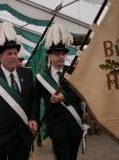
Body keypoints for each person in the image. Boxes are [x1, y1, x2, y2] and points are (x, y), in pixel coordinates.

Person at [0, 21, 39, 160]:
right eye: (9, 53)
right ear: (0, 56)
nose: (14, 56)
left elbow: (33, 99)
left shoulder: (27, 74)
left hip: (22, 139)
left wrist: (33, 117)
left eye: (16, 53)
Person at [35, 26, 83, 160]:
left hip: (75, 125)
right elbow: (35, 101)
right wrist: (34, 120)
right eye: (57, 54)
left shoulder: (72, 73)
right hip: (56, 128)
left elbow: (80, 95)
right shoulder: (41, 78)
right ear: (50, 56)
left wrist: (64, 97)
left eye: (63, 54)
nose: (61, 57)